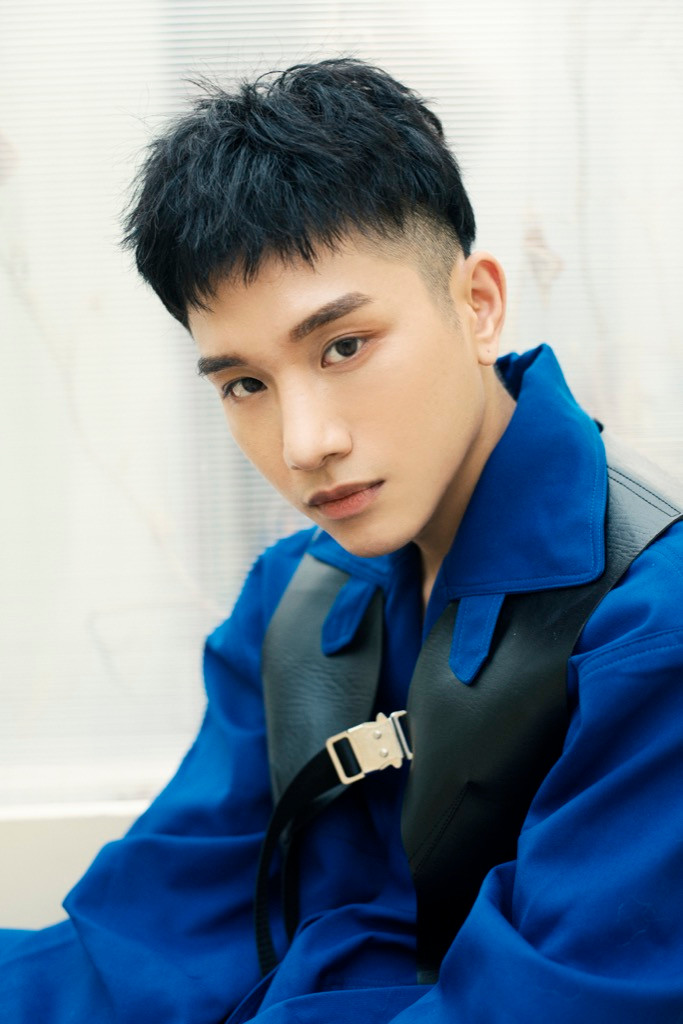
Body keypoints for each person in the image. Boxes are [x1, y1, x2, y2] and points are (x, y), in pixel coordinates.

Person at [1, 57, 682, 1024]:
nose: (302, 443)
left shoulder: (651, 624)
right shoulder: (293, 598)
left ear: (478, 304)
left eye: (343, 347)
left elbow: (553, 1003)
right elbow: (152, 938)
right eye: (244, 383)